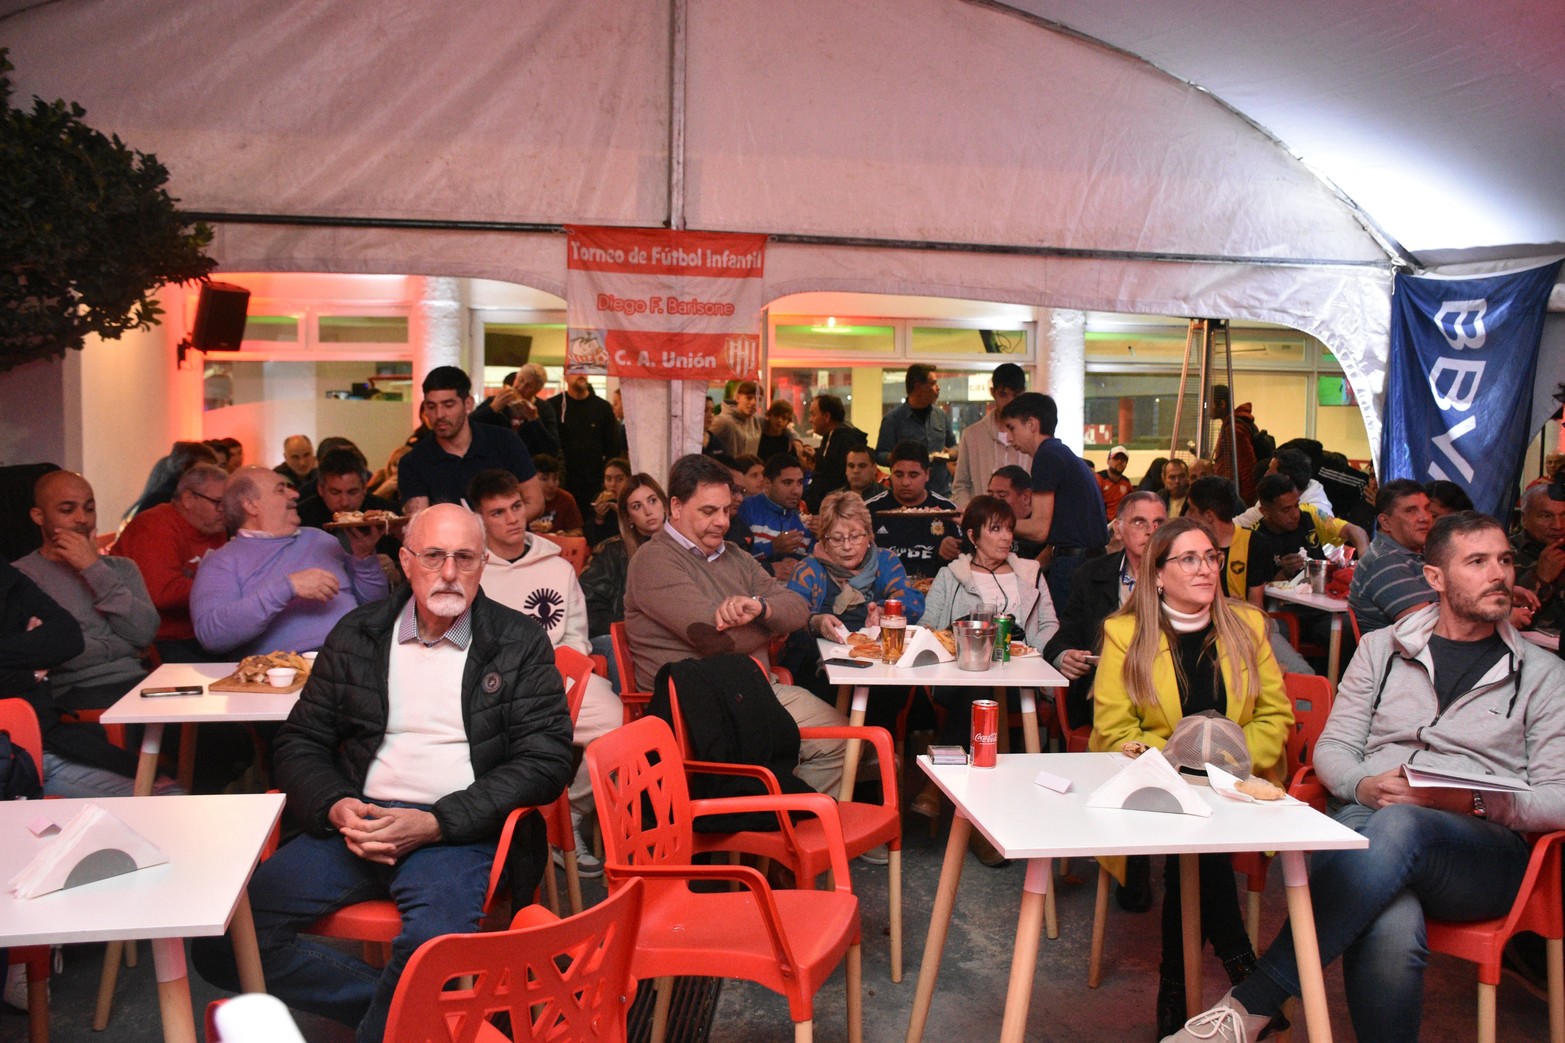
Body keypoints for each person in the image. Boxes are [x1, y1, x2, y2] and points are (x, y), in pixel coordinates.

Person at [1167, 511, 1565, 1043]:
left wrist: (1466, 801)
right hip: (1369, 819)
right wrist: (1363, 786)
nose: (1499, 574)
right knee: (1389, 921)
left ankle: (1253, 1003)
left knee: (1404, 826)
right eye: (1477, 562)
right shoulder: (1384, 650)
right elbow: (1334, 748)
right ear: (1435, 578)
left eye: (1505, 560)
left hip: (1480, 854)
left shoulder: (1542, 674)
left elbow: (1558, 797)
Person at [193, 504, 574, 1043]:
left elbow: (546, 760)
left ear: (483, 565)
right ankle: (416, 1018)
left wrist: (439, 822)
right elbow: (301, 740)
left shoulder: (517, 642)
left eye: (464, 558)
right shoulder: (359, 634)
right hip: (358, 819)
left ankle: (406, 1018)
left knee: (431, 953)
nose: (448, 573)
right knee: (224, 940)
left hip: (458, 831)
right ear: (406, 560)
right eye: (434, 556)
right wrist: (334, 805)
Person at [1089, 517, 1293, 1037]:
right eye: (1189, 559)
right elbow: (1115, 729)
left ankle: (1175, 996)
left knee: (1195, 852)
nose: (1205, 568)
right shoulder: (1124, 633)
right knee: (1195, 842)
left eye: (1211, 557)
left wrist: (1229, 763)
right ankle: (1243, 971)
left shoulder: (1247, 626)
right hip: (1158, 780)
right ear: (1156, 574)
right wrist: (1182, 766)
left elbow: (1276, 716)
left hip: (1237, 783)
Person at [622, 453, 848, 793]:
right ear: (677, 507)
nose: (722, 522)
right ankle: (788, 829)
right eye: (709, 511)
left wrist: (759, 609)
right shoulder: (654, 560)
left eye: (727, 510)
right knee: (848, 742)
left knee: (851, 741)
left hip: (753, 693)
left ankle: (785, 830)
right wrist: (770, 625)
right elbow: (714, 640)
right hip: (698, 710)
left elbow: (799, 609)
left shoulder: (733, 555)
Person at [470, 469, 620, 879]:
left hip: (556, 678)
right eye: (498, 513)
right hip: (494, 690)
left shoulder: (558, 567)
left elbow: (576, 636)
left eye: (516, 507)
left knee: (619, 730)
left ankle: (569, 816)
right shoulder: (472, 571)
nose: (512, 519)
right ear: (481, 521)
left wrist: (560, 672)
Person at [918, 495, 1060, 865]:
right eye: (995, 529)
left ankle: (937, 789)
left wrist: (1035, 654)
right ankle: (984, 832)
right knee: (980, 692)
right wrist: (959, 638)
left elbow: (1048, 625)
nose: (1005, 537)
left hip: (1020, 677)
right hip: (962, 677)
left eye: (1009, 528)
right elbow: (927, 629)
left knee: (985, 698)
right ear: (972, 535)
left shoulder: (1030, 573)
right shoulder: (952, 576)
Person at [191, 466, 389, 656]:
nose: (295, 494)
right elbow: (212, 636)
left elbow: (374, 608)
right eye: (280, 490)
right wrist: (287, 587)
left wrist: (364, 557)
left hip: (357, 654)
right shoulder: (222, 561)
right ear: (251, 505)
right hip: (286, 671)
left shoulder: (320, 539)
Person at [14, 471, 158, 709]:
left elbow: (145, 634)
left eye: (89, 508)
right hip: (75, 690)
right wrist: (123, 646)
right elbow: (51, 653)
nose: (82, 518)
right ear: (39, 516)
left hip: (138, 680)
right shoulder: (23, 577)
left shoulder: (122, 567)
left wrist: (92, 568)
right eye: (67, 510)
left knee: (215, 729)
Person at [782, 489, 924, 697]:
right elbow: (790, 615)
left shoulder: (885, 561)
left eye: (856, 536)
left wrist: (886, 610)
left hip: (878, 665)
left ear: (870, 534)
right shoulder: (809, 569)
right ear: (823, 539)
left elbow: (912, 600)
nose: (847, 546)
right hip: (819, 669)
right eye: (837, 539)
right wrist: (815, 622)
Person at [999, 391, 1109, 610]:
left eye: (1011, 428)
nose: (1009, 439)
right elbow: (1061, 533)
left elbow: (1039, 529)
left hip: (1073, 565)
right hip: (1088, 561)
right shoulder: (1061, 453)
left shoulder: (1046, 456)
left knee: (1064, 638)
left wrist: (990, 524)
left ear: (1031, 424)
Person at [112, 462, 230, 662]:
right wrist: (226, 587)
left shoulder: (215, 526)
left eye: (228, 504)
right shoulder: (154, 525)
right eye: (218, 502)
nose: (225, 511)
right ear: (188, 499)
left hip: (204, 632)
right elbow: (163, 593)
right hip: (160, 639)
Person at [398, 366, 542, 519]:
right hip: (449, 541)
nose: (439, 414)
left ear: (468, 404)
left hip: (506, 540)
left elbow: (535, 503)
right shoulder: (413, 462)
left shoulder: (505, 441)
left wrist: (494, 531)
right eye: (431, 406)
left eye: (448, 405)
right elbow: (419, 522)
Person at [581, 473, 667, 690]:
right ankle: (640, 717)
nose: (648, 511)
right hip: (622, 636)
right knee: (617, 646)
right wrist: (632, 631)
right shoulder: (612, 552)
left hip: (668, 636)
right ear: (628, 517)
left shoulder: (686, 547)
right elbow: (588, 605)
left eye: (652, 500)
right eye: (637, 506)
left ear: (665, 504)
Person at [1242, 474, 1368, 612]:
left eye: (1296, 505)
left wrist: (1364, 556)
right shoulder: (1253, 539)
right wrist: (1284, 573)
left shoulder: (1309, 515)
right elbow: (1258, 594)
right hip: (1287, 614)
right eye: (1286, 510)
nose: (1295, 514)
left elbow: (1355, 531)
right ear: (1265, 511)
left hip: (1328, 604)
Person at [296, 448, 403, 576]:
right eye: (335, 493)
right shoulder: (301, 518)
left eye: (352, 492)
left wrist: (396, 571)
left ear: (364, 488)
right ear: (320, 489)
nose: (344, 502)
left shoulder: (388, 514)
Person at [862, 440, 960, 580]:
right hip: (882, 593)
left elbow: (967, 556)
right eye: (899, 474)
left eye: (913, 475)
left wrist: (953, 550)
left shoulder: (948, 510)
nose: (905, 482)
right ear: (890, 473)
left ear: (927, 474)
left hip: (935, 592)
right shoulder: (869, 510)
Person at [950, 362, 1030, 507]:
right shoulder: (972, 435)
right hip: (982, 521)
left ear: (1023, 393)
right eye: (1003, 395)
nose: (1010, 402)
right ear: (993, 392)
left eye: (1016, 395)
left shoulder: (1031, 435)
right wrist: (973, 514)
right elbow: (961, 485)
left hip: (1024, 521)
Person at [877, 364, 957, 497]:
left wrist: (952, 454)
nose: (938, 388)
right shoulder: (893, 419)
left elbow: (953, 445)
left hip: (940, 492)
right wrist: (899, 457)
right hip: (906, 494)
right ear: (918, 387)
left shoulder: (941, 416)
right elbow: (879, 454)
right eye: (933, 384)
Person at [737, 453, 812, 574]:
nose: (796, 491)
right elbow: (732, 561)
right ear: (767, 484)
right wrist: (771, 547)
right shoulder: (745, 509)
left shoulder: (805, 522)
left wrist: (823, 539)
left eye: (799, 483)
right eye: (787, 483)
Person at [470, 363, 561, 460]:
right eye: (520, 380)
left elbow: (552, 449)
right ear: (515, 378)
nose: (521, 387)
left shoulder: (544, 408)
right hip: (496, 463)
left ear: (537, 390)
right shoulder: (496, 400)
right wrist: (493, 408)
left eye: (528, 386)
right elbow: (469, 425)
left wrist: (534, 420)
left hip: (529, 465)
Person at [1511, 483, 1565, 633]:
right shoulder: (1503, 554)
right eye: (1546, 516)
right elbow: (1500, 620)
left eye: (1564, 515)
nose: (1558, 526)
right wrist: (1541, 579)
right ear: (1525, 519)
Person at [1234, 447, 1335, 527]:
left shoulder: (1316, 514)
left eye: (1270, 471)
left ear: (1285, 479)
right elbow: (1243, 522)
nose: (1265, 475)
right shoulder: (1275, 494)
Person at [803, 393, 868, 512]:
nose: (810, 420)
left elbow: (839, 477)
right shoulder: (830, 437)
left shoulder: (845, 439)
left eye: (813, 414)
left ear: (827, 416)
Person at [983, 465, 1047, 560]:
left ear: (1026, 496)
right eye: (991, 495)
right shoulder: (984, 525)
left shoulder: (1044, 532)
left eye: (1002, 495)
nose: (994, 502)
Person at [529, 454, 584, 536]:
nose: (551, 485)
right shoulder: (522, 499)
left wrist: (566, 535)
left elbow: (578, 531)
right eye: (544, 479)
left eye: (555, 478)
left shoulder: (566, 499)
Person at [708, 379, 763, 459]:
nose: (754, 403)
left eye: (759, 399)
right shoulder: (722, 421)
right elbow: (705, 443)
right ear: (738, 398)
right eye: (749, 398)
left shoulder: (756, 421)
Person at [583, 456, 630, 547]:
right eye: (608, 479)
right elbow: (590, 539)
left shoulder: (634, 501)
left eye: (619, 479)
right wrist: (599, 518)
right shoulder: (599, 499)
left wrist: (621, 513)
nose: (613, 484)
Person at [1096, 445, 1135, 521]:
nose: (1120, 462)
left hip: (1120, 523)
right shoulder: (1099, 479)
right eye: (1116, 458)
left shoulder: (1126, 482)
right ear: (1108, 461)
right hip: (1100, 522)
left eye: (1123, 460)